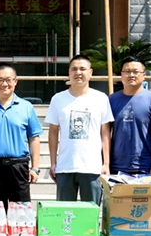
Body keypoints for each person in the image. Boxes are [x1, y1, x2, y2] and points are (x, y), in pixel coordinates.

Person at [0, 63, 43, 208]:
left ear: (15, 81)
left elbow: (34, 138)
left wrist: (35, 168)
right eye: (0, 80)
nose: (4, 84)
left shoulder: (26, 107)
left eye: (8, 80)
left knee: (21, 213)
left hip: (19, 166)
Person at [45, 54, 113, 205]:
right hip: (65, 166)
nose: (78, 72)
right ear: (69, 72)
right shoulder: (58, 99)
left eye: (83, 69)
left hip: (92, 167)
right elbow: (53, 132)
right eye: (74, 69)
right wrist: (53, 162)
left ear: (90, 72)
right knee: (65, 213)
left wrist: (106, 164)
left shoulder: (101, 98)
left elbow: (105, 133)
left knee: (91, 213)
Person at [109, 56, 151, 176]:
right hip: (116, 166)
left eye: (136, 72)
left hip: (145, 167)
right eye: (127, 71)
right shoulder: (111, 100)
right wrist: (106, 164)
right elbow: (105, 134)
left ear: (144, 75)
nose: (131, 75)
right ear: (121, 74)